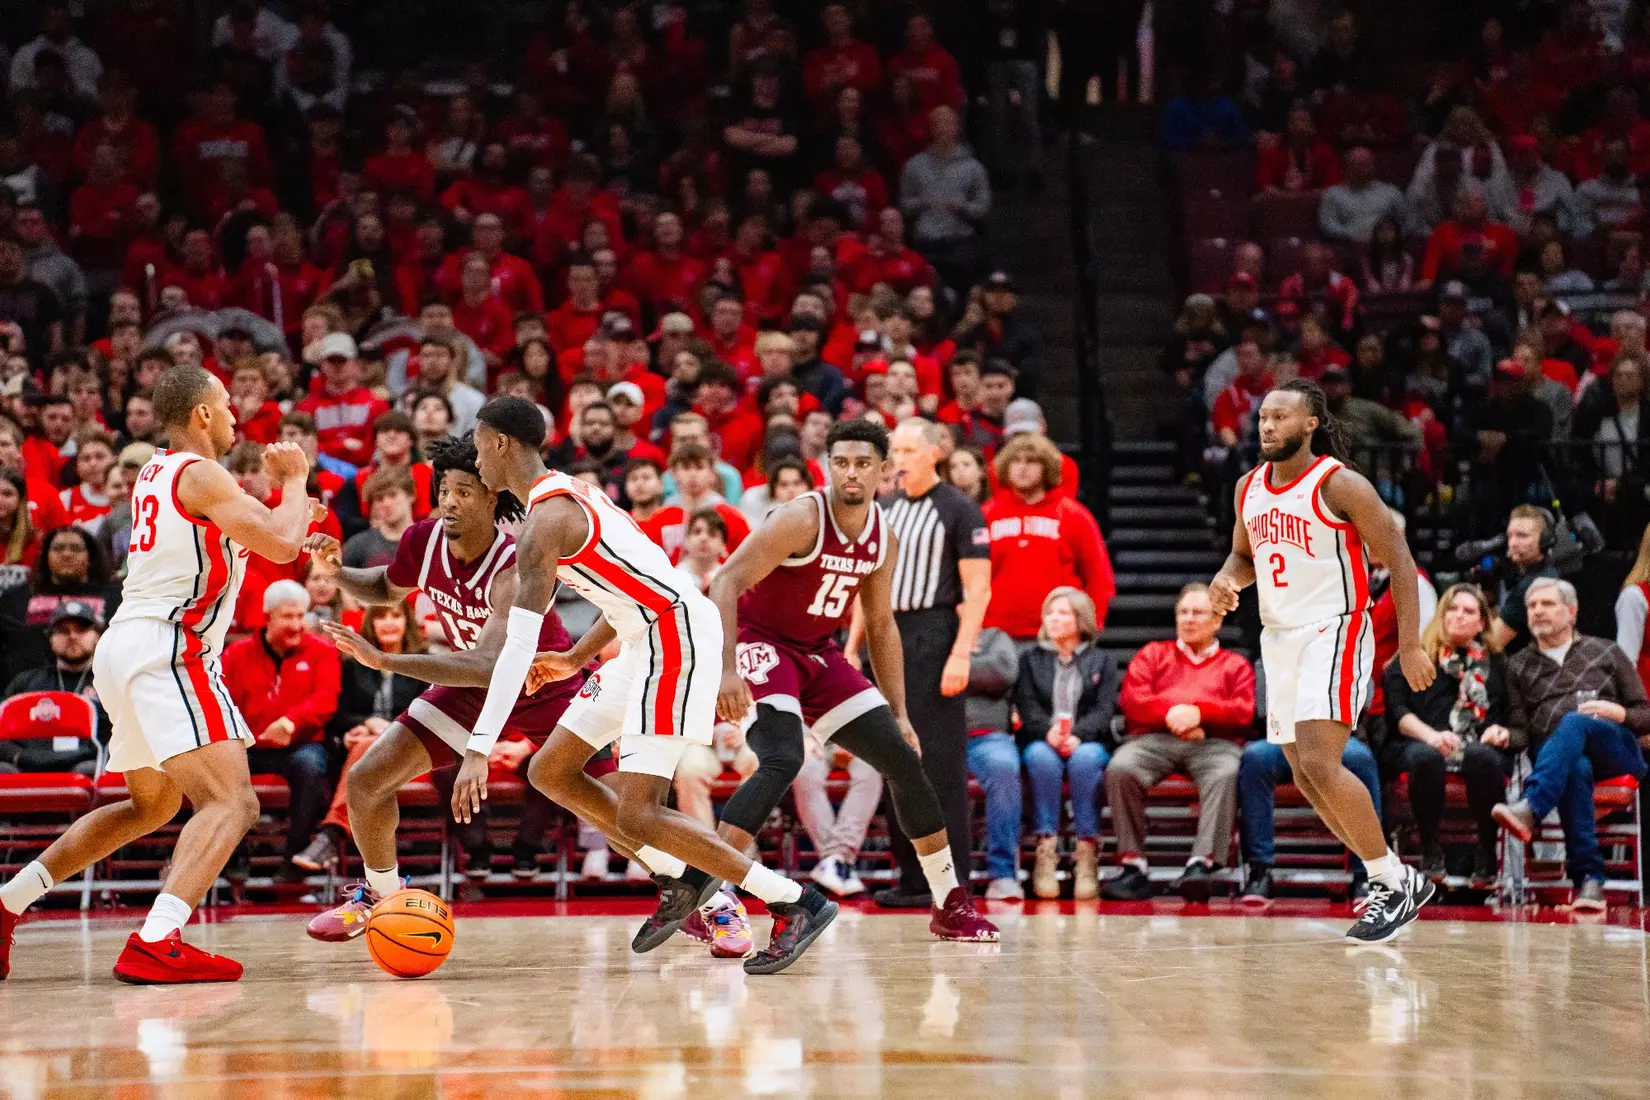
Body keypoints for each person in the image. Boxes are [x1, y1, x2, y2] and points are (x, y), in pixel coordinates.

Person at [467, 397, 837, 976]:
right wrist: (573, 657)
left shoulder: (545, 524)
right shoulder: (570, 489)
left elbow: (515, 651)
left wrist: (478, 749)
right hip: (645, 632)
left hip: (675, 639)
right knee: (551, 771)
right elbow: (631, 588)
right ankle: (681, 879)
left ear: (499, 444)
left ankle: (795, 901)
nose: (475, 457)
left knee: (639, 814)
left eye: (477, 442)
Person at [0, 365, 314, 982]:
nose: (233, 417)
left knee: (151, 805)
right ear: (201, 414)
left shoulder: (158, 471)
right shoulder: (201, 473)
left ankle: (7, 903)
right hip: (172, 646)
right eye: (225, 406)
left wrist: (302, 517)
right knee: (233, 800)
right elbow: (279, 543)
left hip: (124, 646)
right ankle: (157, 937)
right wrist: (296, 480)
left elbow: (251, 535)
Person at [300, 436, 642, 937]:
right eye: (444, 489)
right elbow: (384, 589)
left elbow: (490, 664)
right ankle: (381, 896)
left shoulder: (515, 564)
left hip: (543, 686)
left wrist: (384, 658)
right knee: (367, 780)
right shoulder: (423, 540)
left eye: (464, 491)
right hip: (469, 690)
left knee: (623, 812)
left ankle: (704, 897)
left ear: (491, 498)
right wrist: (337, 570)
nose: (449, 502)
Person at [688, 417, 997, 942]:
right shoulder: (801, 517)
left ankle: (950, 903)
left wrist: (898, 712)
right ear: (828, 466)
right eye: (840, 462)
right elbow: (727, 580)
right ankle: (706, 893)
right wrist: (725, 668)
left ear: (884, 469)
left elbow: (880, 624)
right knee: (784, 757)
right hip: (765, 643)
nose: (850, 473)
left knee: (903, 758)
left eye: (862, 463)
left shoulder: (884, 535)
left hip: (819, 653)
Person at [1210, 378, 1438, 943]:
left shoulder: (1341, 485)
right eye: (1263, 417)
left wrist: (1409, 645)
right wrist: (1225, 578)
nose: (1267, 426)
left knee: (1320, 756)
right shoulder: (1247, 488)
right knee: (1307, 773)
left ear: (1310, 424)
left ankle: (1390, 878)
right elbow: (1245, 557)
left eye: (1281, 417)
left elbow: (1402, 562)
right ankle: (1395, 878)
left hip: (1335, 629)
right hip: (1279, 636)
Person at [865, 418, 992, 909]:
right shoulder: (886, 507)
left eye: (908, 450)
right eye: (894, 450)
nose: (898, 458)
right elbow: (868, 587)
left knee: (939, 765)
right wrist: (856, 648)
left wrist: (961, 652)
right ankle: (913, 879)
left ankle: (952, 886)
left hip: (934, 636)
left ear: (936, 452)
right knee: (893, 761)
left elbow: (978, 590)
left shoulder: (959, 509)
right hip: (886, 633)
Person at [1491, 577, 1650, 912]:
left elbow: (1645, 714)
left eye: (1546, 604)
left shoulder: (1606, 650)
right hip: (1560, 761)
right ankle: (1589, 882)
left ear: (1572, 612)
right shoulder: (1518, 664)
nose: (1536, 612)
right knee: (1576, 767)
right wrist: (1505, 736)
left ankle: (1531, 807)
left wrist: (1618, 711)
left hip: (1615, 750)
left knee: (1576, 721)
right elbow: (1521, 730)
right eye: (1531, 606)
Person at [1107, 583, 1255, 902]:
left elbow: (1244, 711)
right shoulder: (1153, 654)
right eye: (1183, 612)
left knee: (1226, 772)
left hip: (1213, 743)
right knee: (1121, 767)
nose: (1188, 619)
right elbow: (1133, 700)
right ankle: (1133, 865)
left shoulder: (1235, 665)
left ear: (1217, 621)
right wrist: (1175, 714)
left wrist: (1201, 714)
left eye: (1198, 612)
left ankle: (1202, 865)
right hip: (1155, 738)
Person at [1379, 583, 1512, 885]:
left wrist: (1499, 730)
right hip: (1418, 743)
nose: (1459, 616)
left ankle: (1486, 851)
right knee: (1426, 756)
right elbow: (1398, 712)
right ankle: (1430, 848)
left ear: (1482, 622)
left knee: (1483, 755)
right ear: (1440, 616)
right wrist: (1432, 736)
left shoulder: (1499, 664)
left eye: (1468, 611)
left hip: (1478, 746)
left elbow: (1508, 715)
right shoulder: (1412, 657)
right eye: (1452, 609)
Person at [294, 601, 429, 872]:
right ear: (371, 623)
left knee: (368, 745)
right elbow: (337, 715)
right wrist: (362, 724)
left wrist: (389, 728)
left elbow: (429, 715)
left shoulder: (424, 663)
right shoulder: (352, 664)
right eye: (381, 617)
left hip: (409, 752)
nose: (389, 623)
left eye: (396, 616)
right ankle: (333, 836)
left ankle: (332, 833)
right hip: (358, 752)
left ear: (407, 622)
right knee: (366, 745)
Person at [221, 580, 341, 880]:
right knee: (220, 768)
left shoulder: (323, 651)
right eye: (288, 617)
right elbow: (222, 703)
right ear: (267, 617)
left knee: (310, 766)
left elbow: (326, 701)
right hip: (249, 744)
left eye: (301, 616)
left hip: (301, 744)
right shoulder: (236, 655)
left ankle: (295, 858)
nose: (297, 624)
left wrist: (292, 722)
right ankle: (231, 855)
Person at [1016, 588, 1117, 901]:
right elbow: (1027, 704)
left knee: (1085, 761)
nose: (1054, 619)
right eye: (1050, 612)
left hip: (1087, 740)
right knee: (1041, 760)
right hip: (1042, 739)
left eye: (1063, 613)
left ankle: (1086, 852)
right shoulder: (1031, 659)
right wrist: (1047, 731)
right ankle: (1046, 851)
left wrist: (1079, 735)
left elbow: (1104, 709)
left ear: (1081, 619)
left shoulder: (1103, 660)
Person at [981, 433, 1114, 641]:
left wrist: (1092, 625)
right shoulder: (986, 515)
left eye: (1032, 461)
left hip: (1057, 635)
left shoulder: (1074, 516)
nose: (1022, 468)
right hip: (995, 635)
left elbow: (1099, 577)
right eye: (1016, 461)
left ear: (1047, 467)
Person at [0, 599, 108, 778]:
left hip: (85, 762)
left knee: (91, 770)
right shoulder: (25, 683)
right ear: (50, 638)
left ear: (97, 636)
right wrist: (18, 756)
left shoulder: (109, 682)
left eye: (81, 629)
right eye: (63, 630)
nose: (72, 636)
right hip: (26, 766)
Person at [964, 624, 1024, 899]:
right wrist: (974, 662)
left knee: (1004, 767)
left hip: (986, 737)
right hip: (934, 737)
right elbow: (915, 676)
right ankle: (934, 876)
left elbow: (1000, 673)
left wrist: (952, 663)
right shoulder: (928, 633)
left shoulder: (995, 638)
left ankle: (1003, 874)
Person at [1487, 505, 1561, 653]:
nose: (1513, 543)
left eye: (1522, 536)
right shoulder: (1547, 574)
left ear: (1544, 540)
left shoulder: (1532, 586)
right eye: (1510, 536)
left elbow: (1491, 644)